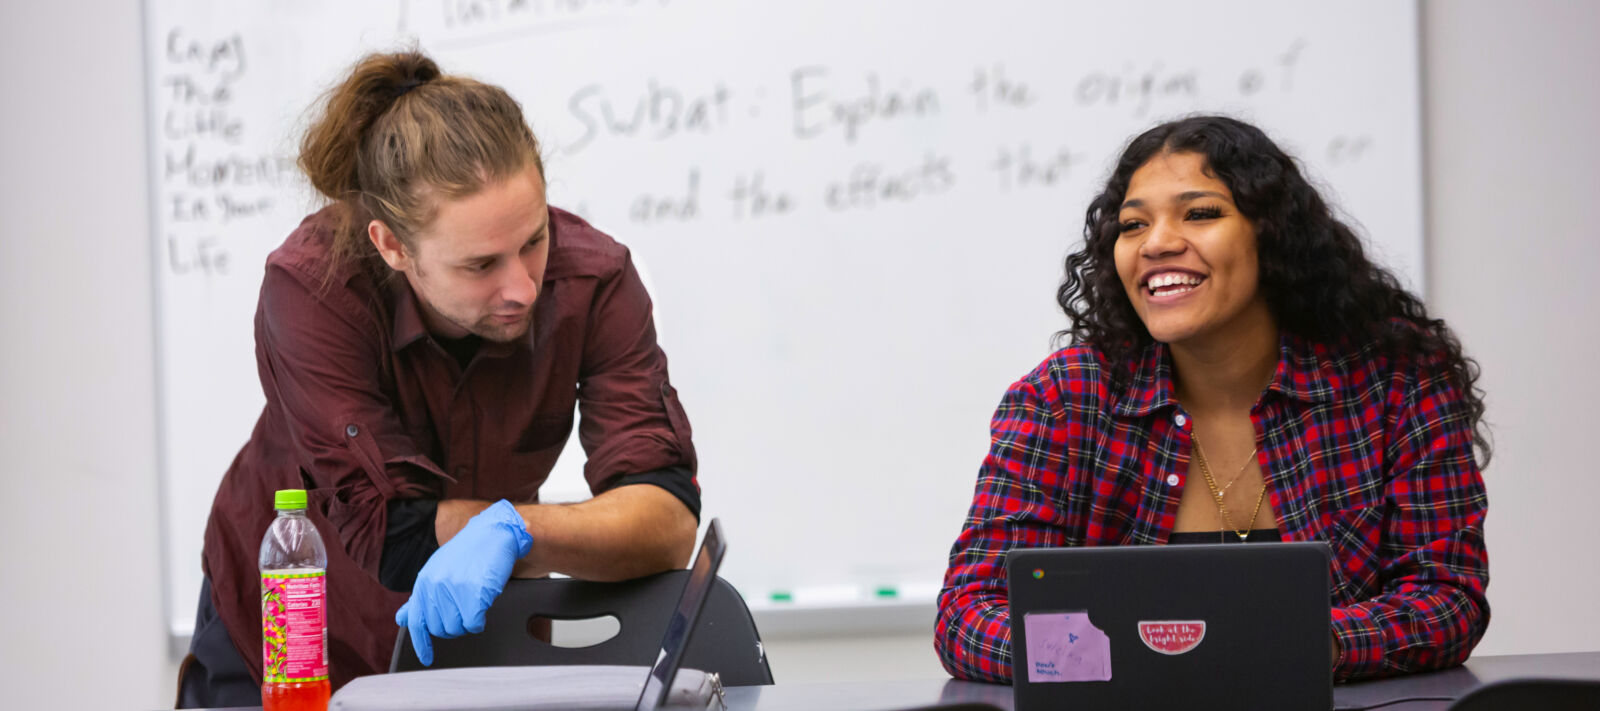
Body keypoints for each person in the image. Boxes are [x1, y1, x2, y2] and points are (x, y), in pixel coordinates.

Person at [179, 50, 700, 706]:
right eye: (480, 264)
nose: (522, 287)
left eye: (534, 240)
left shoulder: (595, 281)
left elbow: (668, 517)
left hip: (466, 634)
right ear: (392, 246)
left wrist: (517, 530)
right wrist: (550, 529)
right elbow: (391, 533)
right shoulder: (314, 286)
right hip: (291, 635)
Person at [935, 116, 1489, 683]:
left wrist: (1306, 647)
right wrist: (1121, 662)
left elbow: (1447, 597)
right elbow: (967, 616)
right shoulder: (1062, 399)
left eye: (1200, 213)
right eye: (1133, 225)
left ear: (1272, 236)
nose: (1156, 243)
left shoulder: (1398, 381)